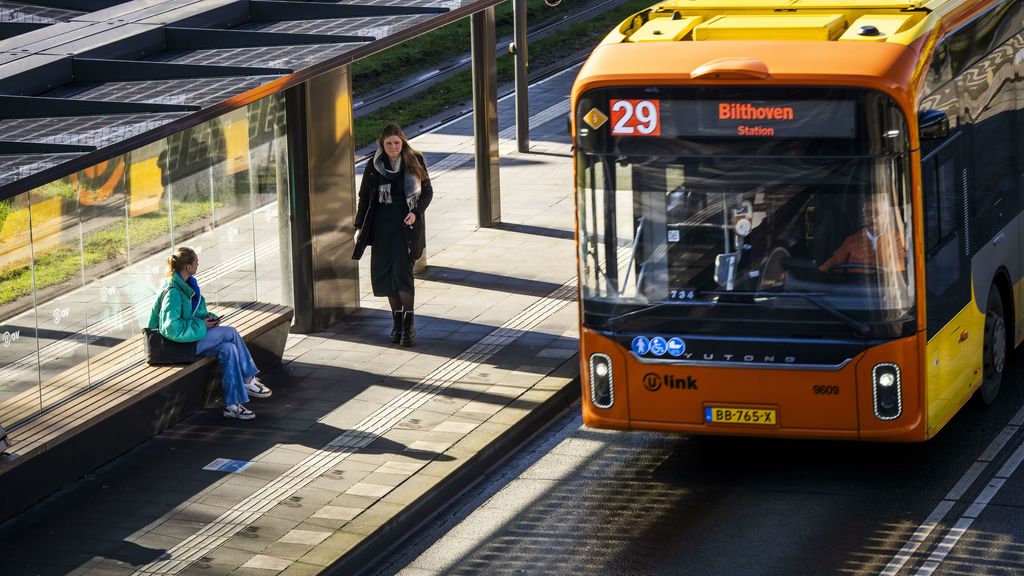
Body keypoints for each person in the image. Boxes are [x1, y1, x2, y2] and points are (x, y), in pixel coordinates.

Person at [148, 247, 272, 420]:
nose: (198, 263)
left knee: (229, 349)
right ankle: (248, 378)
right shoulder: (173, 292)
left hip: (191, 339)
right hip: (179, 346)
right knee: (230, 332)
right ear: (188, 267)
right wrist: (201, 325)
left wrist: (208, 319)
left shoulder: (189, 285)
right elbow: (171, 328)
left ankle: (232, 405)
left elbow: (196, 313)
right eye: (196, 261)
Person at [354, 124, 434, 346]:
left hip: (404, 229)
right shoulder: (374, 164)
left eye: (396, 143)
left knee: (403, 277)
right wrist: (359, 226)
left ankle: (408, 325)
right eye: (388, 143)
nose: (393, 147)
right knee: (387, 277)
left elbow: (427, 191)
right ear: (382, 144)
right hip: (381, 230)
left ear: (403, 142)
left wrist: (416, 213)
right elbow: (364, 198)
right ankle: (397, 322)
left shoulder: (413, 159)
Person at [819, 200, 907, 274]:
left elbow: (900, 270)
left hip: (886, 291)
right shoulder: (852, 240)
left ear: (887, 216)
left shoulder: (898, 240)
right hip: (855, 289)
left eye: (877, 213)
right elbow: (832, 263)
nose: (872, 217)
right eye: (868, 213)